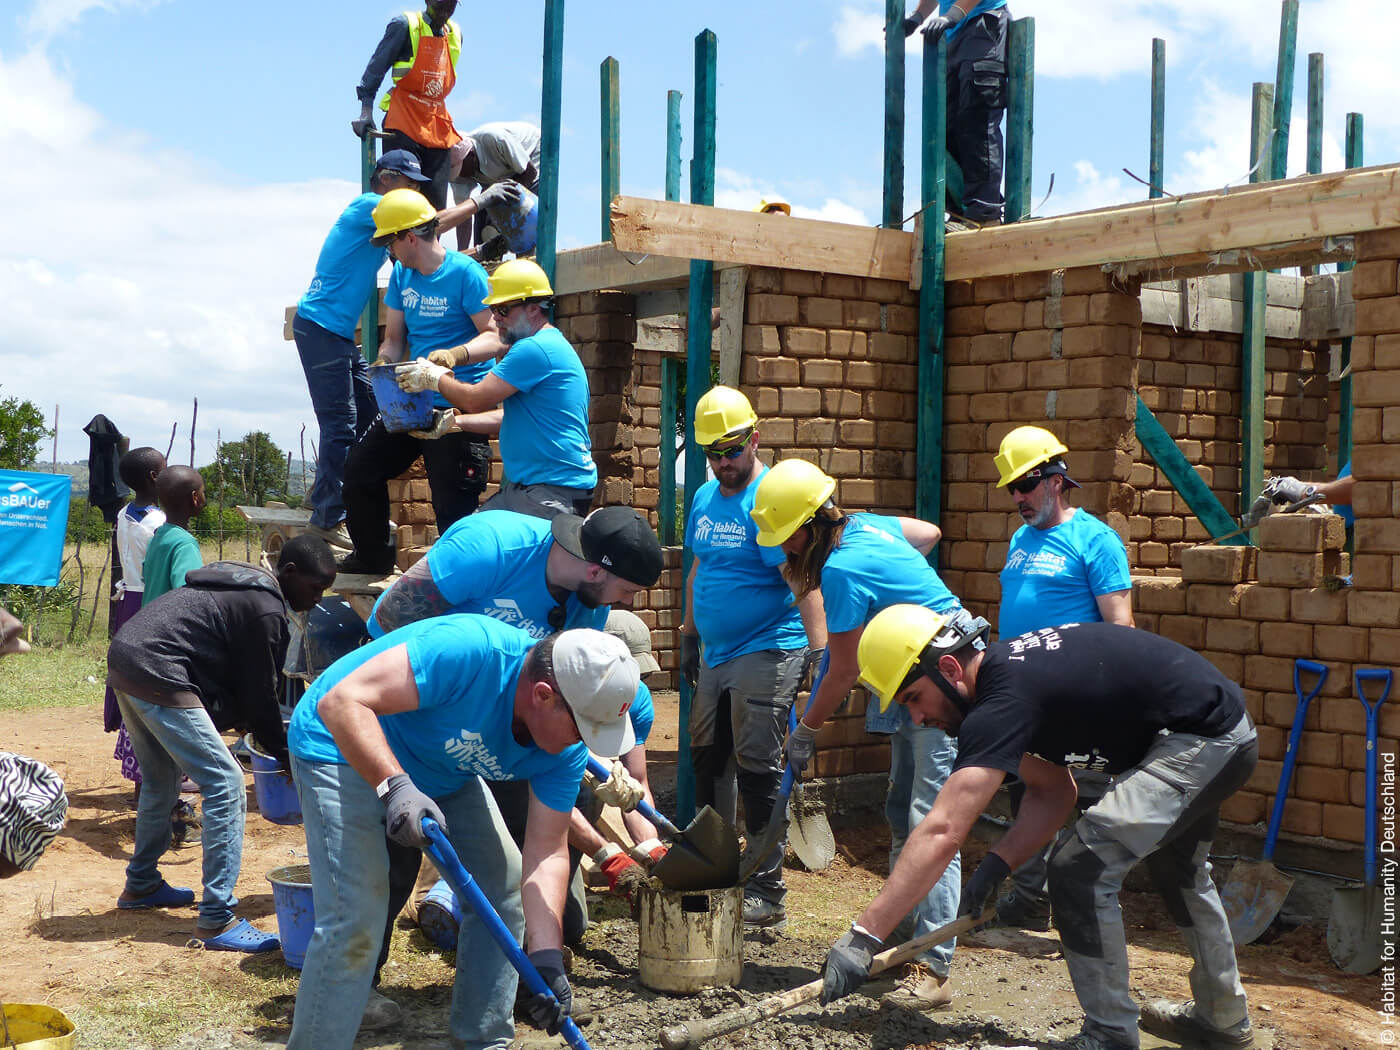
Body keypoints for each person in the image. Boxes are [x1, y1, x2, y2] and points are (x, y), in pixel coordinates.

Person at [821, 606, 1260, 1050]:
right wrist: (998, 863)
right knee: (1180, 872)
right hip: (1214, 733)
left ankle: (1110, 1035)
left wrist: (863, 937)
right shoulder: (1008, 686)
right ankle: (1222, 1019)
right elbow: (1054, 792)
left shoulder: (1002, 701)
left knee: (1080, 870)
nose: (917, 718)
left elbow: (942, 829)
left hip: (1203, 740)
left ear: (949, 668)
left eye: (913, 698)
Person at [285, 619, 638, 1050]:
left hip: (438, 766)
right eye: (582, 729)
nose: (583, 744)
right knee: (356, 916)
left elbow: (546, 852)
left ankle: (483, 1038)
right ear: (543, 696)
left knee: (502, 887)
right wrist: (394, 786)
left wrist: (546, 958)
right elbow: (342, 702)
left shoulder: (563, 751)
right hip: (339, 742)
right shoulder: (471, 653)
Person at [359, 505, 662, 1001]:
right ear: (595, 569)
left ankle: (529, 979)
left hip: (511, 726)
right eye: (627, 590)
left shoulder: (589, 607)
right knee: (394, 855)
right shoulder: (489, 548)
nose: (625, 601)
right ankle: (360, 984)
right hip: (415, 713)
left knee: (528, 865)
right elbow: (390, 624)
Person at [749, 457, 981, 1006]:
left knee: (931, 818)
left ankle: (935, 967)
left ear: (808, 529)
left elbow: (843, 667)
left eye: (787, 541)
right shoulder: (871, 525)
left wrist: (806, 730)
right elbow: (929, 533)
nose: (785, 553)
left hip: (940, 681)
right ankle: (898, 937)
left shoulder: (843, 569)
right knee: (903, 808)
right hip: (913, 668)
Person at [108, 537, 336, 951]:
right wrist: (285, 754)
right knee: (227, 783)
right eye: (315, 588)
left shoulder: (241, 587)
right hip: (158, 669)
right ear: (288, 574)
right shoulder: (265, 608)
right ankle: (217, 918)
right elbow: (260, 696)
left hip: (127, 657)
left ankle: (141, 885)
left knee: (161, 780)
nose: (317, 600)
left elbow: (243, 685)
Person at [678, 387, 824, 933]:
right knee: (706, 757)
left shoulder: (769, 497)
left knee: (758, 765)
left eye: (732, 450)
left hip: (767, 645)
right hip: (715, 653)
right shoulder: (703, 497)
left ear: (754, 439)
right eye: (712, 452)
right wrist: (689, 634)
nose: (722, 463)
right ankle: (715, 863)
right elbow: (699, 570)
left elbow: (798, 575)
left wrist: (819, 649)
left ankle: (767, 888)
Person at [991, 425, 1133, 930]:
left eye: (1025, 485)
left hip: (1077, 694)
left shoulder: (1096, 540)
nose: (1018, 498)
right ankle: (1030, 900)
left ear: (1055, 479)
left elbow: (1121, 628)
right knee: (1028, 792)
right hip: (1025, 694)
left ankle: (1085, 906)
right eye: (1011, 489)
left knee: (1086, 801)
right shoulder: (1020, 537)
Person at [338, 188, 499, 575]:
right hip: (413, 400)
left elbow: (494, 335)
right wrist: (385, 364)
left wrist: (455, 356)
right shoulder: (402, 274)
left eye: (390, 241)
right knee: (361, 470)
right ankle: (373, 555)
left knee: (451, 505)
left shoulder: (465, 273)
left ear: (410, 237)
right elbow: (394, 340)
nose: (388, 251)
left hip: (458, 401)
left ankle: (462, 585)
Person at [293, 150, 436, 541]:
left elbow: (418, 249)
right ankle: (327, 518)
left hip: (336, 334)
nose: (412, 194)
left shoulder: (385, 229)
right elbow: (423, 227)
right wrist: (478, 203)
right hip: (320, 328)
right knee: (340, 425)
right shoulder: (368, 205)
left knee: (372, 411)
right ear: (387, 179)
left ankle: (342, 503)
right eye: (408, 184)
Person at [395, 259, 598, 519]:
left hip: (549, 492)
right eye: (493, 308)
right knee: (464, 543)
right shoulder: (548, 345)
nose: (495, 318)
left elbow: (475, 399)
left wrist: (433, 378)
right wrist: (455, 422)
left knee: (470, 550)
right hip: (545, 489)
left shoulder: (533, 349)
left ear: (534, 309)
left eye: (503, 309)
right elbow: (511, 417)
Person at [904, 0, 1009, 225]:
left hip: (983, 26)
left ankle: (984, 212)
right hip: (954, 36)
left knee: (976, 120)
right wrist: (917, 17)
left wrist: (952, 15)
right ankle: (961, 213)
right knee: (947, 126)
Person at [353, 1, 463, 210]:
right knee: (402, 201)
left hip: (437, 127)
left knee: (435, 210)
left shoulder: (455, 34)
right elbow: (376, 69)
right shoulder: (405, 25)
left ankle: (430, 242)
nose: (445, 6)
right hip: (404, 121)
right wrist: (365, 111)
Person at [105, 447, 167, 796]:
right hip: (150, 600)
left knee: (133, 685)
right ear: (156, 477)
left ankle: (141, 785)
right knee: (152, 688)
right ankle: (151, 788)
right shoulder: (159, 523)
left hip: (129, 603)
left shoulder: (124, 514)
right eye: (165, 467)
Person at [450, 122, 541, 254]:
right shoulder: (457, 174)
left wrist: (504, 213)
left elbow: (529, 173)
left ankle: (527, 254)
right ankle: (488, 256)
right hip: (500, 173)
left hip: (530, 156)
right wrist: (461, 254)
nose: (461, 176)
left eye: (462, 170)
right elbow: (463, 216)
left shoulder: (494, 139)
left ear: (471, 155)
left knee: (522, 210)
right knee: (483, 212)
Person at [142, 466, 205, 604]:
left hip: (148, 619)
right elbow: (188, 595)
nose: (203, 496)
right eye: (203, 492)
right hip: (170, 623)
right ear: (195, 497)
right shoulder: (185, 544)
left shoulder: (159, 536)